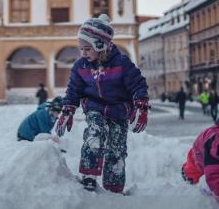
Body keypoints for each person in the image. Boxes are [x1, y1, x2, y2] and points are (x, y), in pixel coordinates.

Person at [55, 14, 149, 193]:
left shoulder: (122, 63)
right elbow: (73, 90)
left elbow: (138, 83)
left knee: (117, 148)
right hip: (95, 108)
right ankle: (89, 176)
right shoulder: (81, 66)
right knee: (94, 135)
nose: (83, 53)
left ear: (100, 45)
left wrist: (141, 104)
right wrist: (68, 109)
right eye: (81, 49)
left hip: (119, 111)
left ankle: (114, 185)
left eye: (87, 49)